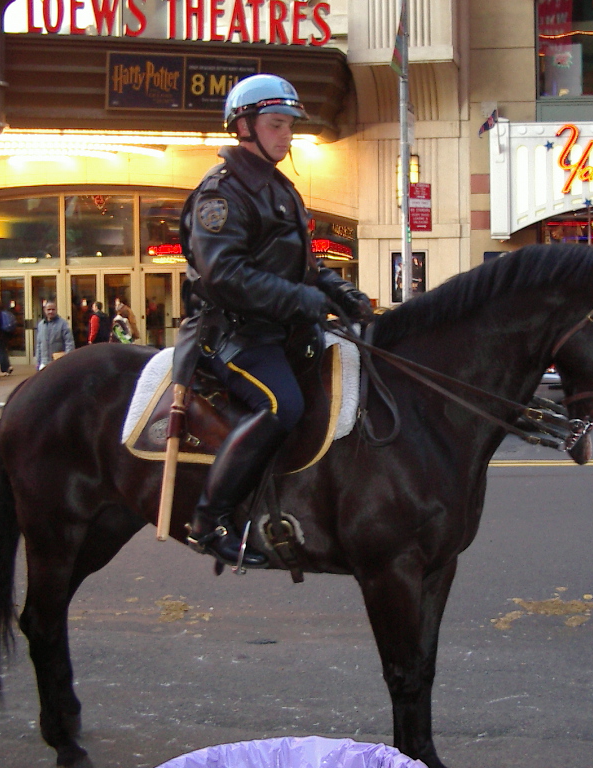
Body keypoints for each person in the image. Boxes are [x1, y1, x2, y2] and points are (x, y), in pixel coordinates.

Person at [173, 74, 373, 567]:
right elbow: (225, 275)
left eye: (289, 126)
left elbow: (304, 266)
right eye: (276, 124)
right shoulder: (221, 194)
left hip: (283, 330)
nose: (287, 135)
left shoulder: (279, 188)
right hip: (235, 334)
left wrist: (342, 293)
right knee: (282, 405)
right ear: (244, 127)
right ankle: (209, 521)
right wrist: (303, 300)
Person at [35, 300, 75, 369]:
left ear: (56, 310)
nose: (51, 311)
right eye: (48, 309)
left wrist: (67, 360)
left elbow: (69, 343)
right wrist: (38, 362)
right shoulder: (41, 325)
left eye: (53, 309)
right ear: (44, 310)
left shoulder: (63, 324)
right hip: (44, 363)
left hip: (58, 363)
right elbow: (39, 344)